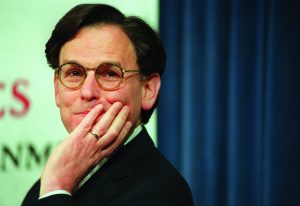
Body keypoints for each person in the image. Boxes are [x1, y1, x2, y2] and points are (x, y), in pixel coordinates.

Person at [22, 3, 193, 206]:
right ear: (56, 88)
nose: (87, 92)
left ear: (148, 90)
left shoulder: (162, 191)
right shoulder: (43, 188)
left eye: (110, 74)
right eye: (74, 73)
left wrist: (56, 190)